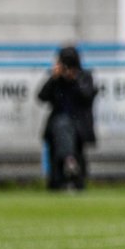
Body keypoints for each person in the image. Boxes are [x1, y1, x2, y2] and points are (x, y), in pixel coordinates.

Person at [38, 45, 97, 190]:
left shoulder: (85, 77)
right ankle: (69, 161)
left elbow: (87, 96)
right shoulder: (56, 80)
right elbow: (41, 96)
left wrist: (74, 79)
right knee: (61, 125)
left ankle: (68, 160)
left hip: (79, 126)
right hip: (58, 125)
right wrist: (54, 78)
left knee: (63, 126)